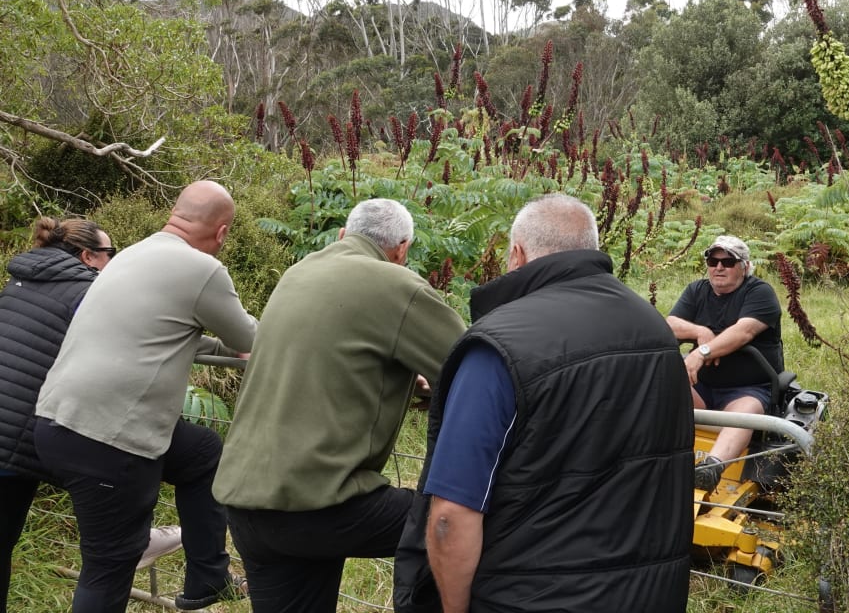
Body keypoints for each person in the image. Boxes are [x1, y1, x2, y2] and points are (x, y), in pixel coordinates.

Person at [393, 193, 694, 613]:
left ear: (517, 254)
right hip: (648, 595)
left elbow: (450, 517)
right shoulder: (654, 329)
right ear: (592, 247)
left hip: (525, 598)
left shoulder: (499, 346)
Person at [212, 198, 466, 613]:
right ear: (401, 250)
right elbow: (472, 366)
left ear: (343, 236)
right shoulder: (397, 284)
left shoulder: (298, 273)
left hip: (244, 501)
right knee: (456, 525)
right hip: (322, 505)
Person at [33, 181, 257, 613]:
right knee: (109, 568)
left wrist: (228, 347)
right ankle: (202, 575)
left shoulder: (132, 254)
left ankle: (207, 578)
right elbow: (249, 336)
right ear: (222, 231)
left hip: (57, 423)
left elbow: (173, 337)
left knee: (202, 452)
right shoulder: (201, 268)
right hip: (106, 439)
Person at [0, 217, 181, 613]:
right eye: (109, 254)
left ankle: (137, 537)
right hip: (15, 442)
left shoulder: (20, 282)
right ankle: (138, 538)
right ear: (87, 256)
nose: (113, 263)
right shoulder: (87, 293)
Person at [665, 234, 784, 492]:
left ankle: (712, 467)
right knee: (661, 378)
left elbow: (743, 332)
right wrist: (699, 331)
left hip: (747, 388)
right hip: (702, 388)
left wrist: (701, 352)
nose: (719, 267)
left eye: (728, 262)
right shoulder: (697, 290)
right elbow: (670, 324)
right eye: (713, 260)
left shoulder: (760, 293)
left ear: (744, 266)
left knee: (745, 412)